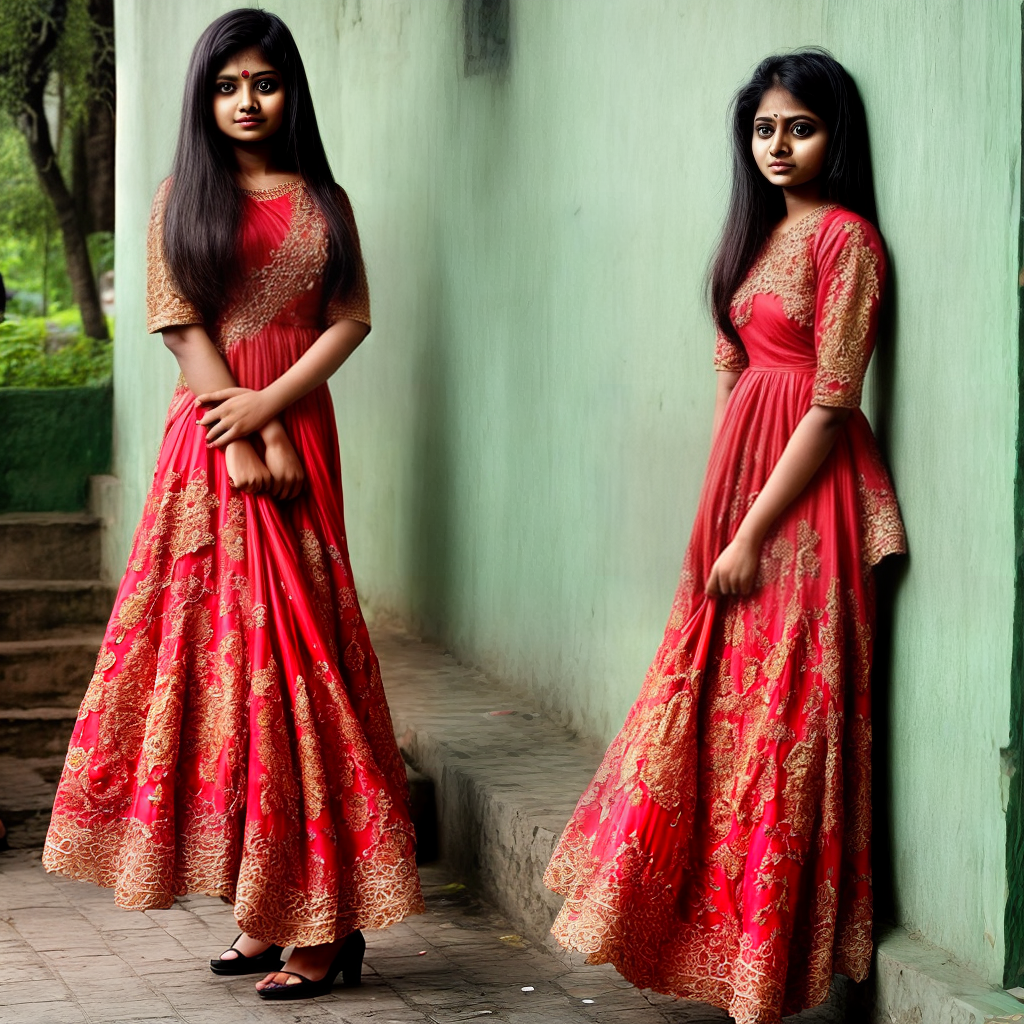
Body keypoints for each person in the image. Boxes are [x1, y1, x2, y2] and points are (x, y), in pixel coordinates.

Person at [42, 9, 424, 1001]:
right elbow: (179, 325)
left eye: (264, 82)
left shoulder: (324, 202)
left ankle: (326, 921)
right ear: (204, 100)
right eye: (227, 85)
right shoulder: (185, 197)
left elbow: (350, 320)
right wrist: (245, 432)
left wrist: (277, 411)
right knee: (224, 670)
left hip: (298, 434)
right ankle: (267, 908)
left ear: (290, 92)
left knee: (301, 663)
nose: (246, 101)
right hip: (209, 448)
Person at [543, 49, 905, 1024]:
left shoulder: (847, 243)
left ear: (836, 136)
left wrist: (749, 528)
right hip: (738, 492)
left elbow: (830, 405)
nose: (779, 146)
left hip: (804, 503)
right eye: (763, 129)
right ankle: (697, 937)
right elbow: (728, 382)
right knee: (711, 715)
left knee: (786, 723)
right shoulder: (749, 242)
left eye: (800, 126)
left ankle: (773, 968)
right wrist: (713, 512)